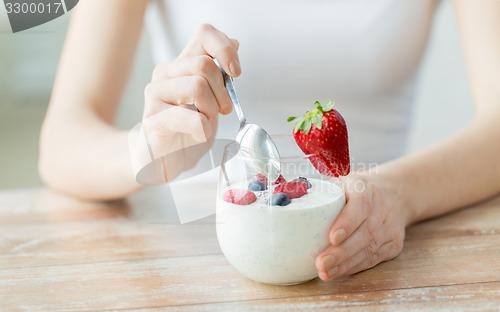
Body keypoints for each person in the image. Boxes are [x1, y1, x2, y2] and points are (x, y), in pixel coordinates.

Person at [38, 0, 500, 282]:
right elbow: (61, 139)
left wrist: (400, 193)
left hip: (373, 253)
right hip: (197, 266)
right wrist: (144, 151)